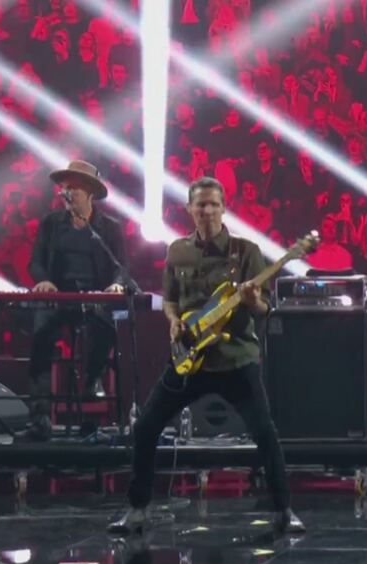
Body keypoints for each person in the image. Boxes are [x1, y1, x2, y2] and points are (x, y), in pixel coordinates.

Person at [108, 177, 305, 536]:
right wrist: (173, 321)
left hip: (235, 358)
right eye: (201, 205)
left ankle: (284, 510)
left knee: (265, 432)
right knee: (146, 426)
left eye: (214, 204)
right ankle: (137, 509)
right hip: (189, 358)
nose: (208, 211)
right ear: (190, 210)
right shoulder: (177, 251)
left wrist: (253, 301)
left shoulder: (246, 251)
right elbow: (170, 299)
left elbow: (265, 309)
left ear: (224, 208)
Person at [26, 160, 125, 441]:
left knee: (105, 328)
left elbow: (121, 267)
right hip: (58, 297)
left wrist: (117, 285)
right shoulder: (50, 224)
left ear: (90, 193)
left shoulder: (109, 228)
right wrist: (44, 280)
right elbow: (35, 263)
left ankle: (91, 391)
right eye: (65, 188)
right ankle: (40, 415)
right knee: (41, 331)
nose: (67, 194)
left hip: (95, 299)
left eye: (74, 189)